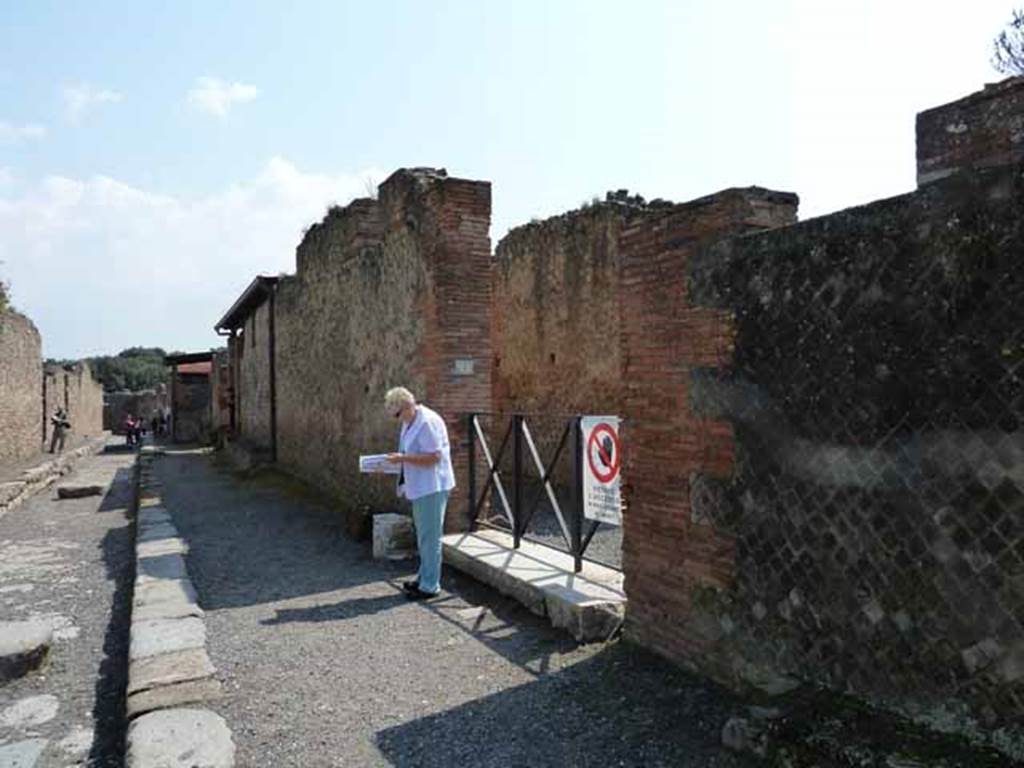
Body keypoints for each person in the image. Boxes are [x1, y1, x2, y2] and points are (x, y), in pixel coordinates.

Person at [385, 387, 455, 601]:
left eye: (397, 414)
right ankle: (423, 577)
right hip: (422, 487)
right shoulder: (411, 420)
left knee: (430, 537)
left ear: (407, 406)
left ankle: (430, 586)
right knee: (424, 535)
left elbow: (434, 457)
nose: (397, 419)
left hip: (432, 486)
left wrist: (403, 459)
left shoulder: (426, 422)